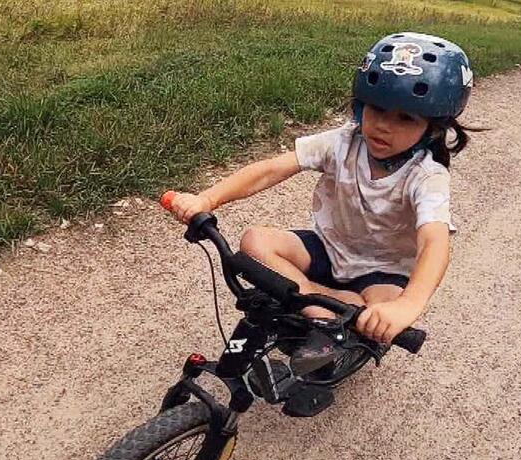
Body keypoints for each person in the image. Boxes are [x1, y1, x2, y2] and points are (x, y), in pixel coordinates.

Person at [166, 32, 475, 369]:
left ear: (433, 129)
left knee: (382, 313)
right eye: (378, 109)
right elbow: (270, 170)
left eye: (406, 118)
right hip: (328, 250)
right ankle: (322, 312)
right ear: (361, 105)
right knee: (255, 240)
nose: (384, 126)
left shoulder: (427, 176)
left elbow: (435, 242)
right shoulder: (343, 142)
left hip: (381, 272)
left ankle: (319, 305)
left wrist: (408, 305)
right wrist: (206, 198)